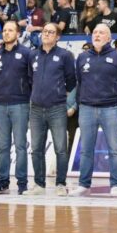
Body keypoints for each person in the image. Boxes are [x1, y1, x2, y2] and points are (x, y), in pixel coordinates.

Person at [72, 24, 117, 196]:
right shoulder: (82, 57)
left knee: (114, 149)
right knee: (86, 149)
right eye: (95, 32)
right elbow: (79, 81)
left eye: (101, 32)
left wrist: (114, 98)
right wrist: (82, 101)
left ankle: (116, 185)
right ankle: (84, 184)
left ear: (109, 38)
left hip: (110, 108)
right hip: (87, 108)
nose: (97, 35)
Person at [0, 21, 34, 195]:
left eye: (10, 30)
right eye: (5, 30)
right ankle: (3, 181)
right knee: (3, 146)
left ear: (18, 33)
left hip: (20, 104)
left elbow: (32, 79)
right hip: (0, 105)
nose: (6, 33)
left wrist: (28, 99)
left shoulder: (27, 53)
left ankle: (22, 182)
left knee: (20, 145)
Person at [29, 23, 76, 197]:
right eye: (44, 31)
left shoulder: (65, 55)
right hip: (36, 109)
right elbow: (29, 78)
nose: (46, 34)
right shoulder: (33, 55)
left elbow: (71, 80)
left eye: (51, 32)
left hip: (57, 108)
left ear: (58, 37)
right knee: (36, 148)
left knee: (61, 148)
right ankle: (39, 184)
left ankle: (60, 184)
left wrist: (59, 93)